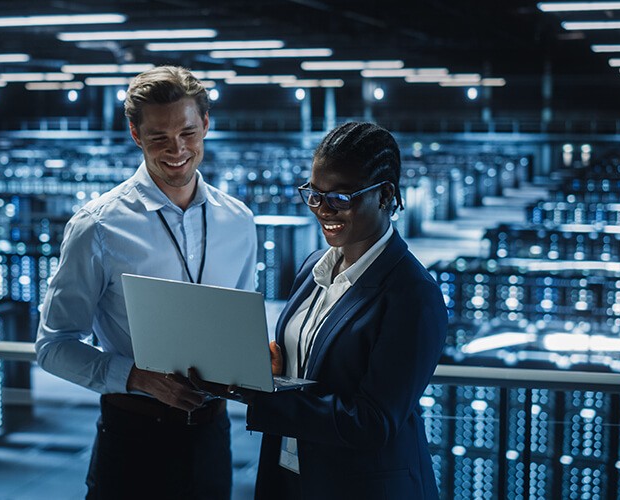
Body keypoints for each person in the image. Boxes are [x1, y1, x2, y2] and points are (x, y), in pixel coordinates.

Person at [35, 65, 257, 499]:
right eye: (159, 137)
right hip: (133, 437)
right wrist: (136, 377)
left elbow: (239, 326)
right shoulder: (98, 226)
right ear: (136, 135)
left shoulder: (238, 221)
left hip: (213, 435)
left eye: (188, 133)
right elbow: (52, 346)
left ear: (206, 125)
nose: (177, 150)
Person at [192, 122, 446, 499]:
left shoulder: (412, 295)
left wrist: (260, 399)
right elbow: (308, 367)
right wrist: (261, 370)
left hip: (360, 488)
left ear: (384, 195)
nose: (323, 209)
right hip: (293, 474)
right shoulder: (315, 268)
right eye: (314, 194)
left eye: (340, 197)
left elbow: (372, 422)